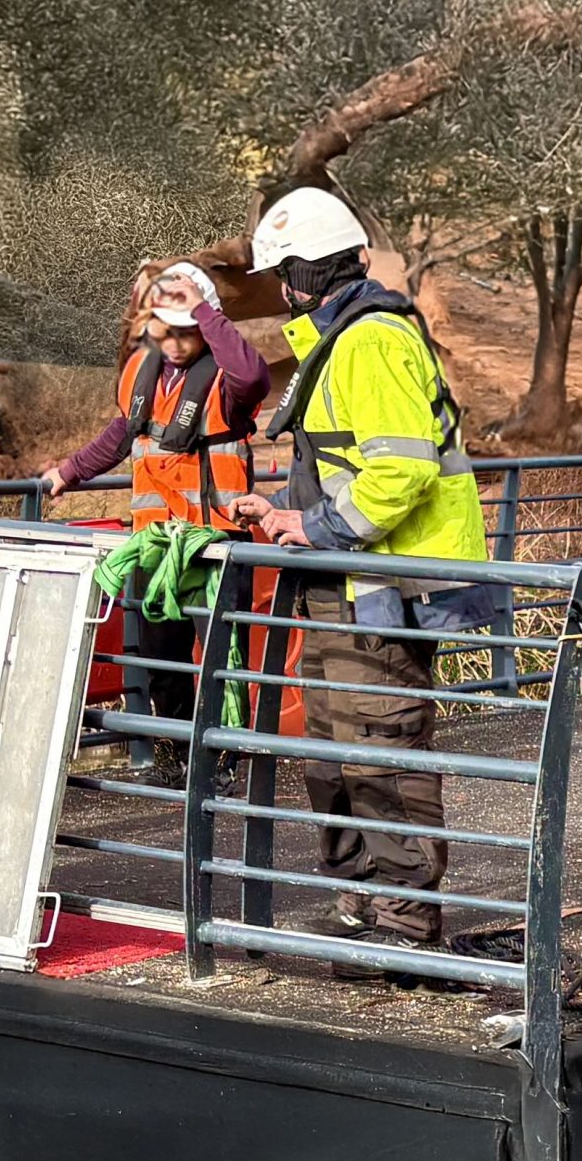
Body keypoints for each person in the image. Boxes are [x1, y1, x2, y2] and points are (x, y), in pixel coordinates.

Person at [221, 187, 492, 964]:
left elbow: (398, 473)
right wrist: (280, 506)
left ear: (304, 275)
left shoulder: (368, 341)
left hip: (382, 591)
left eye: (281, 278)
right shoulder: (340, 340)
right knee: (332, 757)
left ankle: (407, 928)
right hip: (341, 586)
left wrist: (307, 526)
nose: (278, 294)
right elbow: (351, 467)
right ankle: (362, 901)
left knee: (382, 756)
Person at [41, 261, 270, 784]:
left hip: (214, 545)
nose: (171, 341)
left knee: (219, 661)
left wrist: (206, 313)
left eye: (184, 329)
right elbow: (120, 435)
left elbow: (254, 374)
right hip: (155, 543)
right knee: (162, 660)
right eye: (164, 328)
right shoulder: (140, 375)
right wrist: (69, 472)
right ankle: (175, 757)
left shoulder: (226, 384)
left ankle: (224, 762)